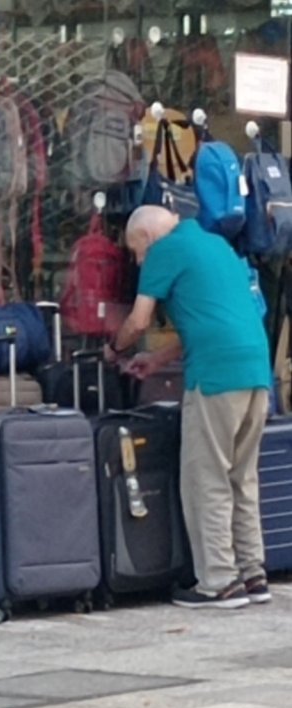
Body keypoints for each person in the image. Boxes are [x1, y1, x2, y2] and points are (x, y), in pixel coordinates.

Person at [105, 205, 273, 609]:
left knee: (206, 477)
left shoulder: (164, 250)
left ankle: (219, 581)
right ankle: (253, 573)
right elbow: (212, 321)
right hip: (255, 371)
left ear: (148, 237)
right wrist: (157, 360)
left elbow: (139, 322)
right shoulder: (217, 245)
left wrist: (114, 349)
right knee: (242, 476)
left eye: (136, 250)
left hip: (215, 377)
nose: (138, 261)